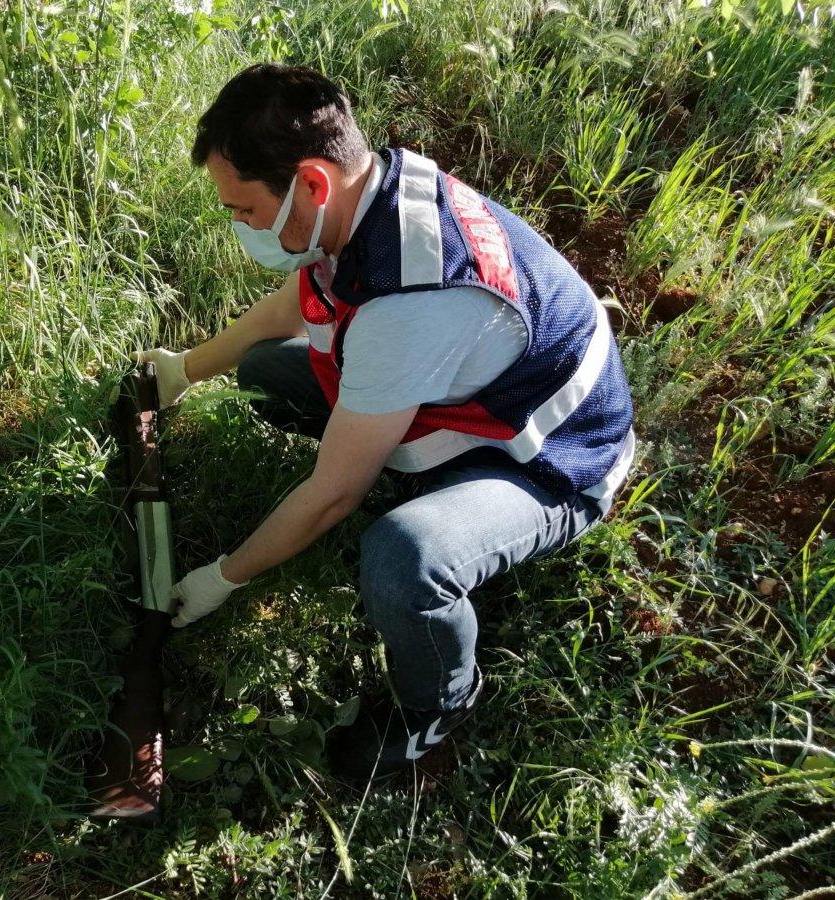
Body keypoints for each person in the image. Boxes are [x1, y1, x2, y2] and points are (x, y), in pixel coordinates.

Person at [131, 62, 635, 783]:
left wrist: (223, 576)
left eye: (242, 210)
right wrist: (186, 368)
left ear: (309, 183)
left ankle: (438, 706)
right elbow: (290, 309)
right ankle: (401, 465)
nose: (239, 226)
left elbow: (332, 496)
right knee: (269, 370)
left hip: (551, 458)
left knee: (404, 560)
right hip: (470, 392)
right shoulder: (363, 198)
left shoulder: (413, 299)